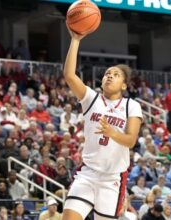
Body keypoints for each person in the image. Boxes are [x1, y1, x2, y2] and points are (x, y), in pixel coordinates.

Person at [62, 25, 143, 220]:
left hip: (113, 178)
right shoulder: (92, 99)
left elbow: (131, 141)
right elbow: (69, 76)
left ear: (123, 85)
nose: (109, 76)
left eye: (115, 74)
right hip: (88, 174)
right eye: (107, 73)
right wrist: (76, 40)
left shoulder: (131, 106)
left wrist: (112, 133)